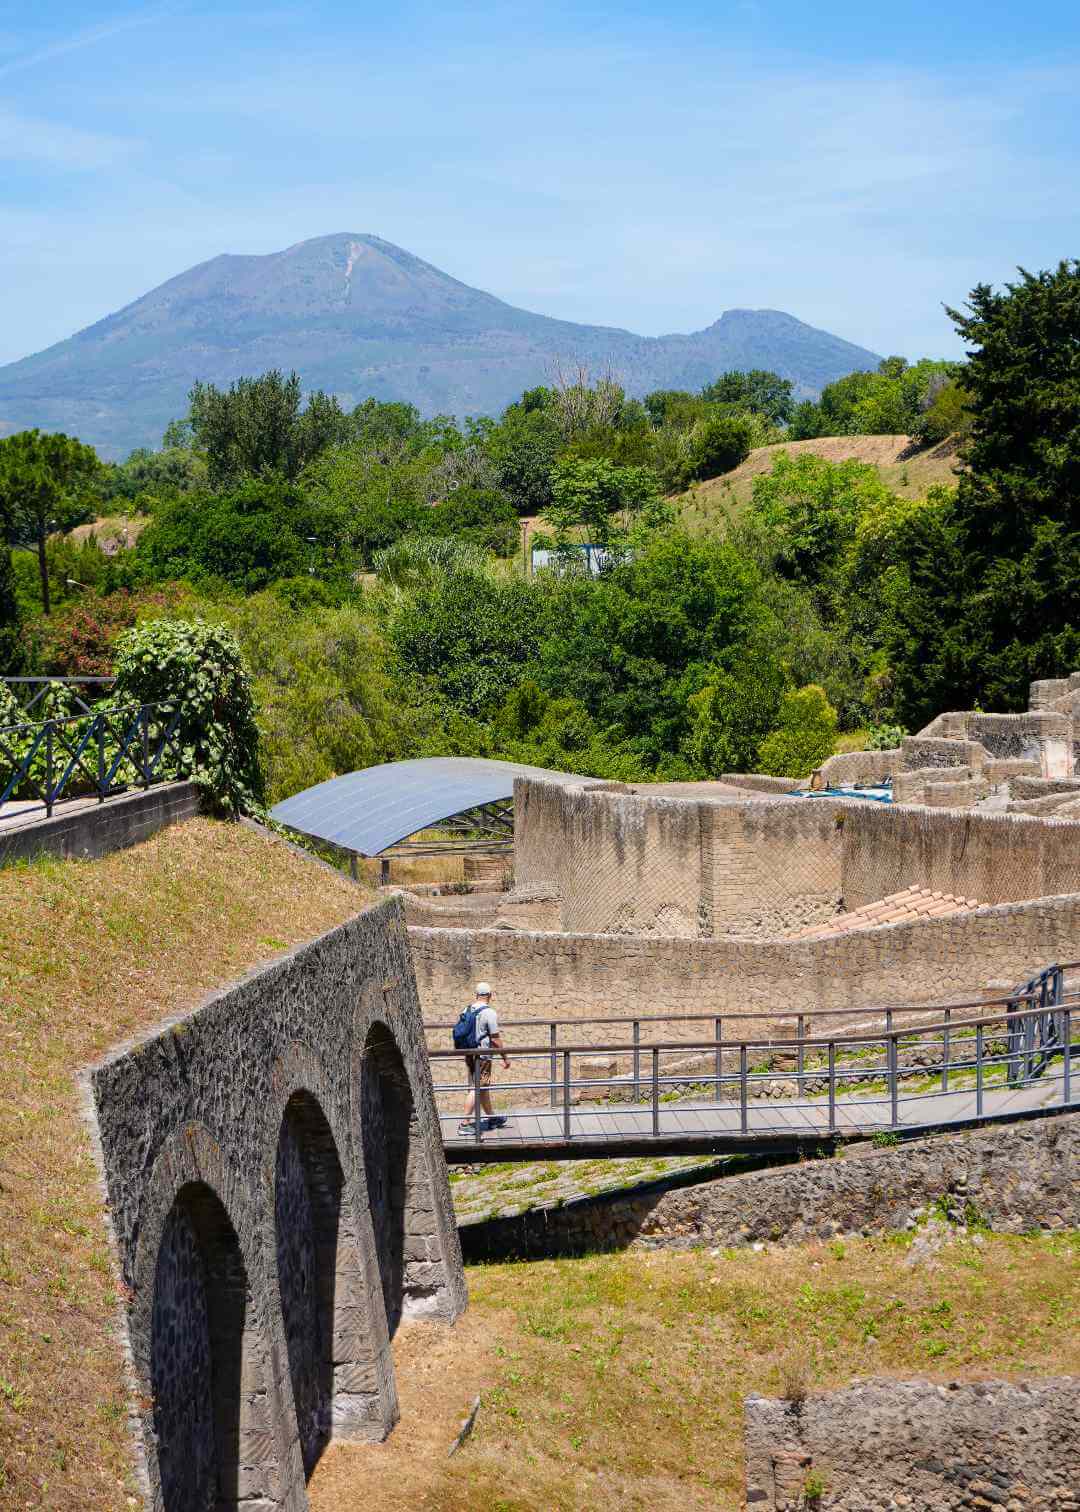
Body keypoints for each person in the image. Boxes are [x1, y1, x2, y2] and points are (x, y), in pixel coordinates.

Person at [458, 981, 510, 1135]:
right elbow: (495, 1039)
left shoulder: (467, 1009)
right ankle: (464, 1124)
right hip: (482, 1056)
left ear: (476, 995)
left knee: (483, 1086)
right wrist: (505, 1058)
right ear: (490, 995)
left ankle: (492, 1118)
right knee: (477, 1088)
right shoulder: (489, 1013)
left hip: (470, 1054)